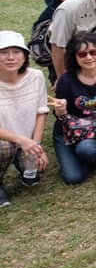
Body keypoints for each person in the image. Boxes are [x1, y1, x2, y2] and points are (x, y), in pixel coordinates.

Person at [0, 31, 49, 205]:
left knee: (36, 170)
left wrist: (36, 146)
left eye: (16, 52)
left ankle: (22, 162)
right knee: (4, 147)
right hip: (5, 140)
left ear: (25, 56)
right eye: (4, 52)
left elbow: (41, 112)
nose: (10, 58)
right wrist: (22, 140)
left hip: (26, 141)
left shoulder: (35, 76)